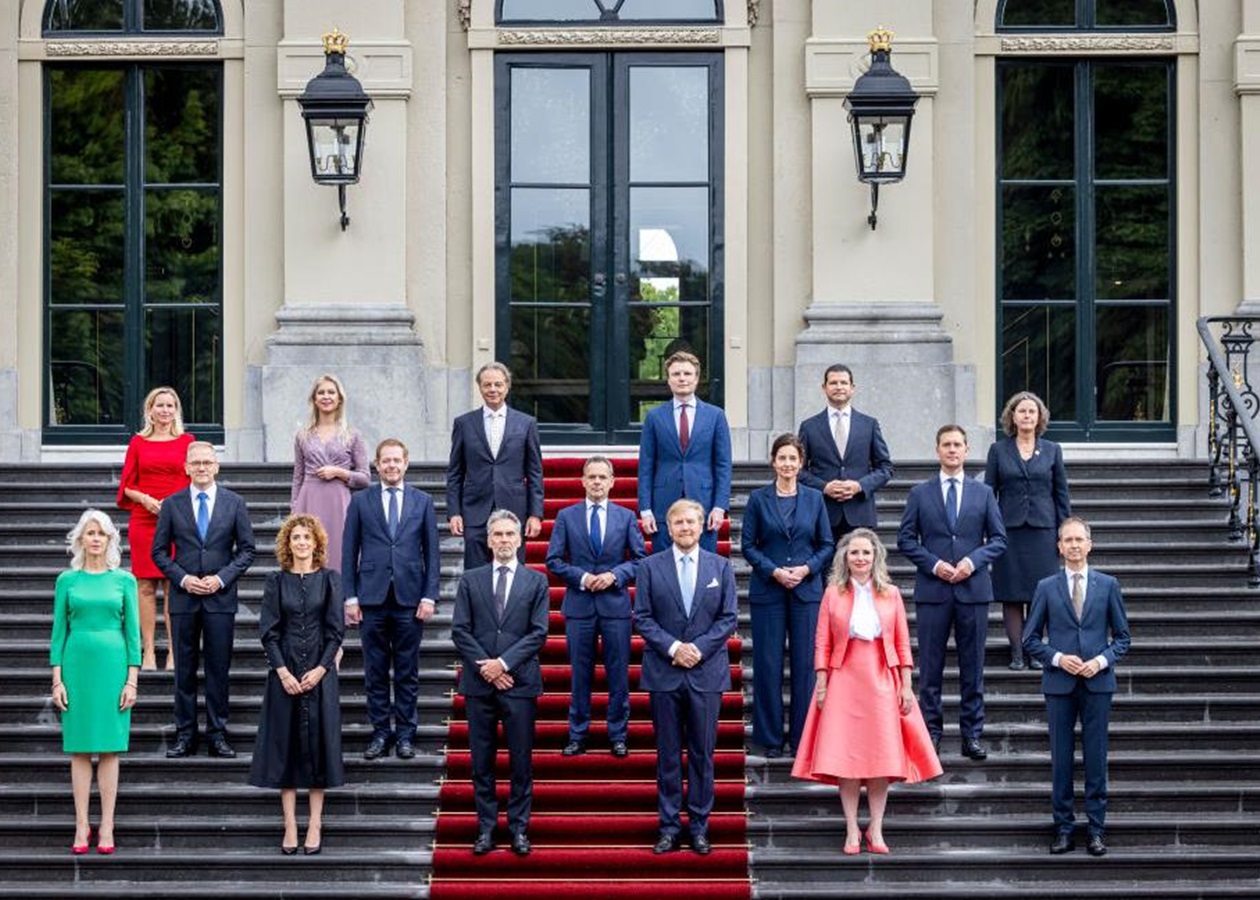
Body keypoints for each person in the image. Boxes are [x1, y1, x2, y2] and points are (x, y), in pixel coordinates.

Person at [791, 528, 942, 854]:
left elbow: (902, 642)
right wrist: (821, 684)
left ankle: (875, 828)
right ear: (845, 558)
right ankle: (851, 829)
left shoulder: (891, 594)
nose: (860, 558)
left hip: (882, 677)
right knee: (846, 758)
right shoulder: (832, 593)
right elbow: (822, 642)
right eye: (854, 552)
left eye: (866, 553)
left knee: (880, 758)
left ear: (876, 558)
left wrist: (906, 685)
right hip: (843, 678)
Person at [634, 499, 738, 856]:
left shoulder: (720, 566)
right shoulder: (649, 567)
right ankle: (668, 827)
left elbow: (728, 618)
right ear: (668, 527)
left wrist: (698, 649)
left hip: (706, 674)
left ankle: (698, 827)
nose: (685, 528)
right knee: (667, 755)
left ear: (701, 525)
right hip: (664, 672)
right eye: (678, 522)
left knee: (702, 754)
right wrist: (675, 647)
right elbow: (642, 617)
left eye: (691, 522)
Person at [897, 425, 1006, 761]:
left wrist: (973, 562)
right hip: (934, 591)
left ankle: (971, 734)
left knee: (973, 669)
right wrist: (934, 565)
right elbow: (905, 539)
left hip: (973, 591)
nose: (952, 450)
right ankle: (931, 732)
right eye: (946, 444)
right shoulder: (920, 493)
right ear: (938, 450)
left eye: (958, 444)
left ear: (966, 449)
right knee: (930, 668)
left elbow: (999, 540)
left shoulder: (983, 493)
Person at [1023, 517, 1130, 858]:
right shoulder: (1046, 587)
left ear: (1089, 545)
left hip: (1098, 683)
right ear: (1059, 546)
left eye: (1079, 539)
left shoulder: (1108, 585)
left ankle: (1096, 830)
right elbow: (1029, 639)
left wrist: (1100, 661)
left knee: (1096, 759)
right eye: (1067, 540)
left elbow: (1123, 638)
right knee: (1061, 760)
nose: (1073, 545)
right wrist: (1057, 658)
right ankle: (1064, 829)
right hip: (1060, 685)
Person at [451, 510, 550, 857]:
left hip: (520, 683)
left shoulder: (536, 581)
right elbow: (460, 630)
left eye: (510, 534)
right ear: (488, 540)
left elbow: (538, 632)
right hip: (479, 685)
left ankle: (519, 828)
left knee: (521, 761)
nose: (504, 540)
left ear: (520, 539)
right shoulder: (470, 579)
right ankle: (486, 828)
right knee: (482, 761)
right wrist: (488, 668)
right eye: (498, 534)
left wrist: (503, 664)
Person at [152, 441, 256, 759]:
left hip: (220, 599)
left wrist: (221, 578)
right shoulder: (172, 505)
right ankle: (185, 734)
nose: (201, 468)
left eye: (207, 462)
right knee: (183, 670)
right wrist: (183, 578)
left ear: (216, 467)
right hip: (183, 599)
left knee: (218, 669)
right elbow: (158, 552)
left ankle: (217, 734)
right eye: (196, 463)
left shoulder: (234, 503)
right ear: (186, 467)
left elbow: (247, 550)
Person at [249, 514, 345, 856]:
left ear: (316, 543)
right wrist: (283, 672)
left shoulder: (330, 580)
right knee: (285, 747)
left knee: (320, 747)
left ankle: (315, 823)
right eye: (296, 538)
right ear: (287, 544)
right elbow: (269, 631)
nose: (302, 542)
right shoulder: (275, 581)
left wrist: (321, 670)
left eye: (307, 537)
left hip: (320, 674)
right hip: (284, 675)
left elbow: (336, 631)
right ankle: (290, 824)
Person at [341, 438, 441, 761]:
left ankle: (406, 734)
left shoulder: (422, 501)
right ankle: (381, 732)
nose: (392, 465)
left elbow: (432, 553)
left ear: (406, 463)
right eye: (386, 460)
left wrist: (429, 595)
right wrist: (350, 597)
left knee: (407, 671)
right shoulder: (361, 501)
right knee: (375, 671)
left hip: (410, 599)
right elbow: (349, 551)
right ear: (377, 465)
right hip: (371, 599)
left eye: (397, 460)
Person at [50, 509, 140, 855]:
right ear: (80, 539)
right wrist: (57, 680)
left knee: (110, 748)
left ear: (111, 539)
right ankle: (81, 823)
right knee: (79, 748)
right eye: (90, 533)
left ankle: (107, 824)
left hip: (113, 668)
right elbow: (58, 633)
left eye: (102, 533)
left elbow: (133, 635)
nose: (96, 538)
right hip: (76, 667)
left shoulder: (125, 580)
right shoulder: (66, 581)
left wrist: (131, 681)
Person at [545, 455, 647, 758]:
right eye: (592, 477)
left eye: (603, 477)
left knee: (618, 674)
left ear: (613, 482)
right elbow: (553, 560)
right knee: (580, 674)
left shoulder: (626, 517)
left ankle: (618, 735)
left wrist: (615, 575)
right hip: (580, 606)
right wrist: (583, 577)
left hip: (615, 606)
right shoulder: (566, 516)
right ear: (583, 481)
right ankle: (577, 735)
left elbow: (640, 560)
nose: (597, 482)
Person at [740, 433, 834, 758]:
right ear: (773, 461)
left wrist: (807, 569)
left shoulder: (815, 498)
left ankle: (801, 738)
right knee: (768, 664)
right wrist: (775, 571)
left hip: (806, 592)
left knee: (806, 666)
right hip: (769, 590)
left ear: (801, 462)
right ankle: (770, 740)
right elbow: (748, 545)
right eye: (782, 458)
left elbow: (827, 544)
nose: (788, 464)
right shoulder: (758, 499)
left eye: (793, 458)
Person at [985, 391, 1071, 670]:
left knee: (1039, 594)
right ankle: (1017, 653)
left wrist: (1064, 533)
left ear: (1039, 417)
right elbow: (988, 493)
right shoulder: (998, 450)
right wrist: (987, 529)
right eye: (1021, 411)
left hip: (1043, 531)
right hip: (1008, 532)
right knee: (1011, 594)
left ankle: (1035, 650)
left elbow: (1061, 493)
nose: (1027, 416)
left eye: (1032, 411)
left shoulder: (1052, 450)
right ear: (1012, 416)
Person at [117, 386, 195, 671]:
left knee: (174, 586)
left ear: (176, 410)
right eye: (159, 405)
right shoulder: (138, 442)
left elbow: (196, 479)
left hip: (178, 520)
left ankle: (174, 651)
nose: (165, 410)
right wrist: (145, 499)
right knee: (145, 586)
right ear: (149, 410)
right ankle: (148, 650)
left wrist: (173, 504)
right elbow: (127, 485)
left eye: (170, 405)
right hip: (144, 519)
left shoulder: (188, 441)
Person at [446, 361, 544, 570]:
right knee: (475, 571)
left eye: (498, 384)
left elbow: (535, 472)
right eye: (487, 385)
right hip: (475, 508)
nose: (493, 389)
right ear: (480, 387)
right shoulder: (464, 424)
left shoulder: (526, 423)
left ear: (507, 386)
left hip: (514, 506)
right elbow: (455, 472)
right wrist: (454, 512)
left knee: (513, 569)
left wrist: (535, 514)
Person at [637, 351, 733, 554]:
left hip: (704, 504)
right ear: (668, 380)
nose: (682, 378)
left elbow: (723, 465)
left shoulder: (715, 416)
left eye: (687, 374)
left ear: (696, 379)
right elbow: (646, 466)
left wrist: (720, 506)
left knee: (704, 565)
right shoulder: (654, 417)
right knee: (664, 564)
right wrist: (645, 509)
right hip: (663, 504)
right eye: (676, 374)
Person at [798, 364, 894, 543]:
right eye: (833, 383)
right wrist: (824, 487)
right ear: (824, 387)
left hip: (860, 514)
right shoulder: (809, 427)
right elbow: (798, 471)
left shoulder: (869, 425)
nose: (839, 387)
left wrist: (859, 486)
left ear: (852, 388)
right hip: (822, 513)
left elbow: (885, 468)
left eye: (843, 383)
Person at [290, 373, 370, 572]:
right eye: (321, 392)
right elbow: (298, 476)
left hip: (339, 501)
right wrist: (294, 507)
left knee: (339, 553)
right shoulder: (303, 435)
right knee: (308, 555)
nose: (326, 396)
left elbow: (365, 478)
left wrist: (339, 472)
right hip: (308, 499)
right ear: (314, 398)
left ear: (339, 398)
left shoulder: (352, 434)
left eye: (331, 392)